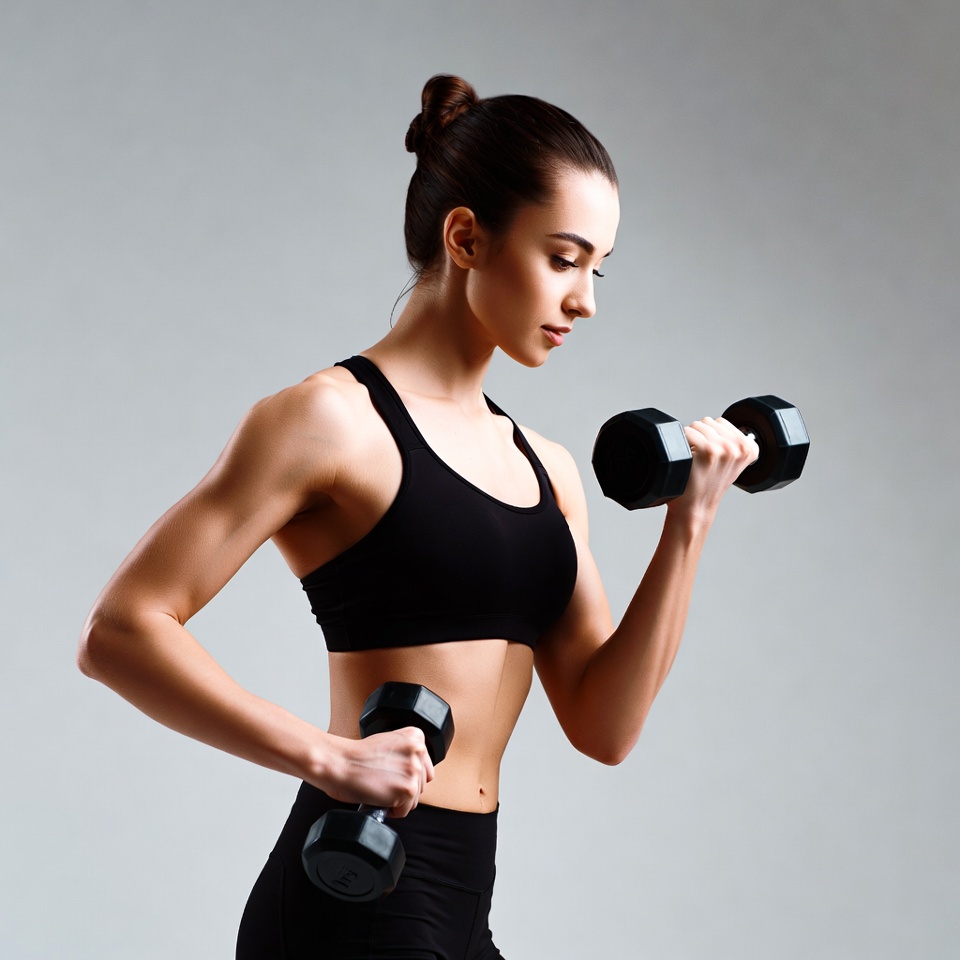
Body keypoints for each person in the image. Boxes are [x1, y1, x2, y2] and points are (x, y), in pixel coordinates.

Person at [78, 74, 758, 959]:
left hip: (462, 898)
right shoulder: (330, 421)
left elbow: (605, 726)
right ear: (466, 237)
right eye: (564, 259)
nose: (586, 300)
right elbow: (120, 631)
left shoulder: (547, 469)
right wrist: (327, 757)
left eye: (598, 269)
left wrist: (689, 525)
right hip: (351, 894)